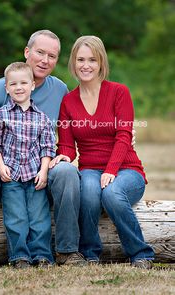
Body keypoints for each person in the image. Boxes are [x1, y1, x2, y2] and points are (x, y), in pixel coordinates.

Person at [0, 30, 86, 269]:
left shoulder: (59, 90)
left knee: (67, 171)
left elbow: (73, 129)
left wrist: (120, 133)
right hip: (5, 170)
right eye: (40, 52)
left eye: (52, 56)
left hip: (40, 172)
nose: (45, 60)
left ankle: (68, 251)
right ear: (27, 52)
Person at [49, 35, 155, 269]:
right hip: (89, 168)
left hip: (127, 168)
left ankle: (140, 253)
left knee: (111, 193)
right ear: (73, 63)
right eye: (80, 59)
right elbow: (66, 144)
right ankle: (90, 253)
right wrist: (63, 156)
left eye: (92, 60)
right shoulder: (68, 102)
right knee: (88, 190)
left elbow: (124, 135)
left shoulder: (119, 92)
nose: (86, 65)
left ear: (101, 63)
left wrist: (111, 170)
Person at [0, 62, 55, 268]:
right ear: (6, 88)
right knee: (16, 218)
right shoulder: (1, 115)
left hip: (35, 176)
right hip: (11, 177)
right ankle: (20, 256)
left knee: (39, 218)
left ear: (32, 85)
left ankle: (42, 255)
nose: (19, 87)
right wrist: (0, 167)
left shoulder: (42, 118)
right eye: (13, 84)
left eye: (24, 82)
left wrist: (44, 172)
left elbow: (47, 148)